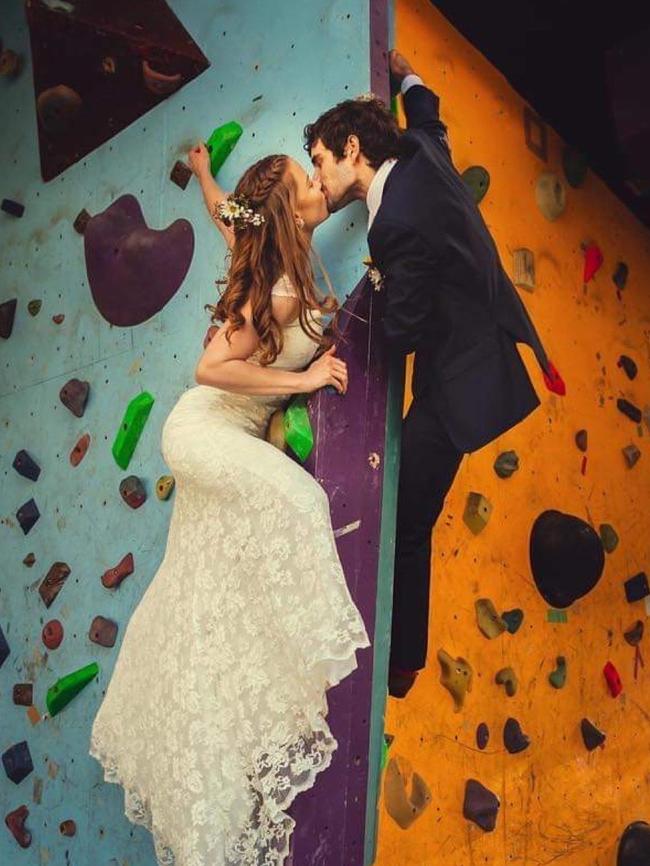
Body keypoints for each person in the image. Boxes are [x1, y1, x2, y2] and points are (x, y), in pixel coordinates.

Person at [88, 146, 371, 866]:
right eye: (308, 181)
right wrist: (302, 386)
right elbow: (210, 367)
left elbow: (228, 217)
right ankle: (313, 662)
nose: (317, 187)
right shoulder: (275, 290)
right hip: (204, 426)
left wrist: (203, 173)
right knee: (302, 502)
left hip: (223, 432)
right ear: (289, 210)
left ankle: (209, 763)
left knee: (206, 602)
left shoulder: (281, 255)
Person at [304, 49, 564, 699]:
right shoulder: (421, 151)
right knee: (413, 509)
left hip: (459, 379)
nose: (317, 178)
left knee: (409, 517)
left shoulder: (394, 223)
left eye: (320, 162)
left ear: (353, 150)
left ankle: (401, 664)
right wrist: (408, 76)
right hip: (483, 344)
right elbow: (430, 115)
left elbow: (405, 331)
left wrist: (368, 294)